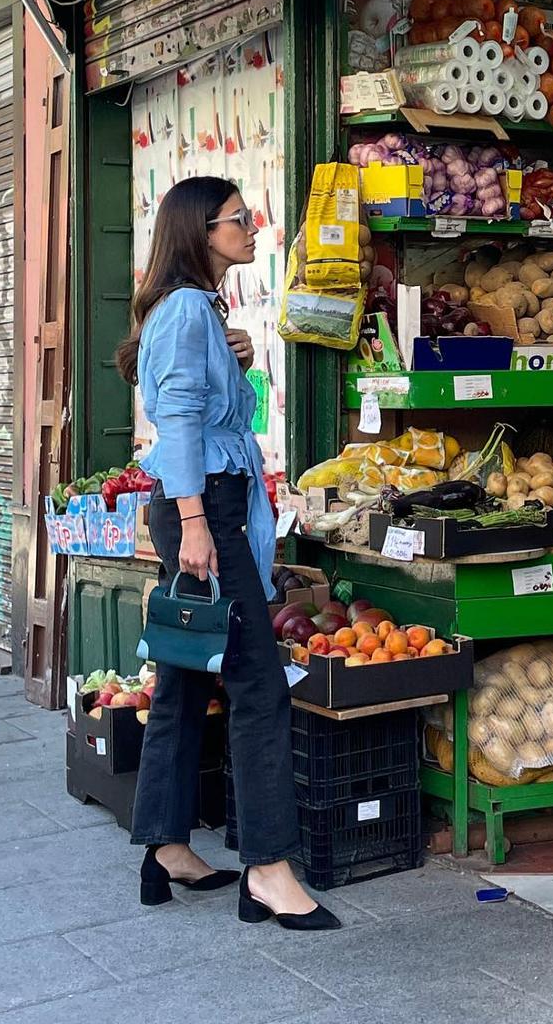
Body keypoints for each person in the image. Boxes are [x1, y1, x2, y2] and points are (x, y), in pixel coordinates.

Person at [115, 176, 340, 931]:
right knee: (256, 684)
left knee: (183, 673)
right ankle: (270, 868)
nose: (251, 227)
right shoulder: (185, 309)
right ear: (199, 232)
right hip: (202, 505)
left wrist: (234, 351)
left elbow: (202, 403)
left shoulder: (198, 310)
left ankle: (165, 845)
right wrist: (196, 524)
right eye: (238, 219)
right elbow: (175, 420)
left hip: (202, 502)